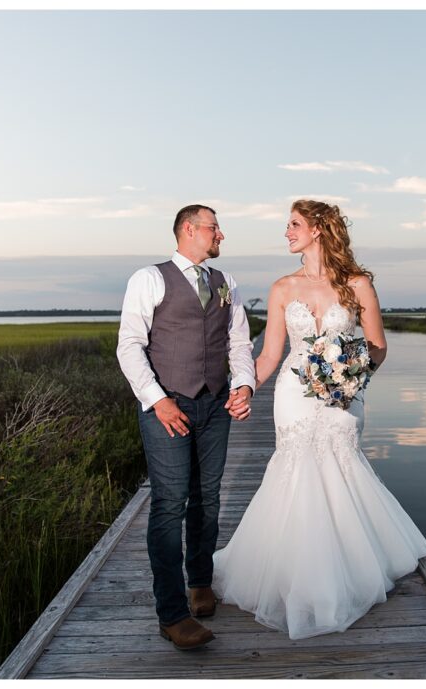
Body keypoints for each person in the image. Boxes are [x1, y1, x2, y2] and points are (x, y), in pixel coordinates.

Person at [214, 199, 426, 639]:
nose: (286, 232)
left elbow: (377, 346)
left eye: (293, 224)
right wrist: (243, 389)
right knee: (295, 469)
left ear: (317, 229)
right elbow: (271, 355)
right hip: (294, 395)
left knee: (340, 465)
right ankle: (299, 573)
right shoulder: (282, 288)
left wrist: (350, 376)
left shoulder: (358, 284)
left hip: (343, 398)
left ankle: (350, 565)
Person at [116, 204, 255, 650]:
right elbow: (130, 346)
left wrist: (245, 386)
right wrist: (157, 400)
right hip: (167, 408)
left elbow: (237, 343)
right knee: (170, 504)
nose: (222, 235)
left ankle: (200, 582)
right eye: (215, 228)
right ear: (190, 230)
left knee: (208, 499)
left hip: (215, 406)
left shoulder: (225, 283)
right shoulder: (149, 279)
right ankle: (172, 614)